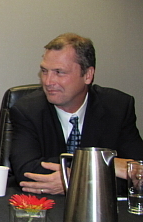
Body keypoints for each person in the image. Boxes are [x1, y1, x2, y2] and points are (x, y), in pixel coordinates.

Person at [9, 33, 143, 195]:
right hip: (48, 209)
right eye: (44, 71)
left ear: (87, 75)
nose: (48, 81)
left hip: (102, 213)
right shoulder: (27, 110)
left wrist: (78, 180)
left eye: (59, 72)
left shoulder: (118, 107)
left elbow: (136, 173)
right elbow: (26, 171)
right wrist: (103, 167)